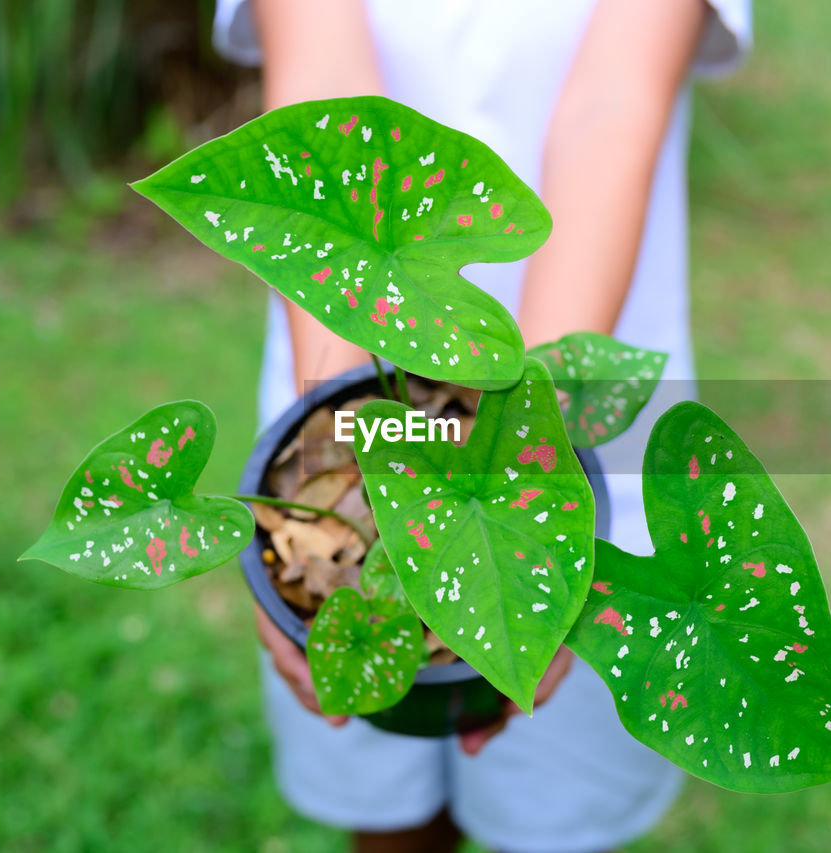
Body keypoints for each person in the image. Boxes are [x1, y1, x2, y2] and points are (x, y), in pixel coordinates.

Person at [213, 1, 752, 850]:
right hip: (342, 353)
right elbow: (323, 98)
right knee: (385, 811)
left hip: (578, 383)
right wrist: (342, 457)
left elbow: (610, 104)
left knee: (556, 811)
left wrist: (525, 467)